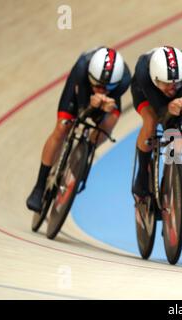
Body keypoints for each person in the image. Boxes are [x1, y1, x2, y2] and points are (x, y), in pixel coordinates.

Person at [26, 47, 131, 212]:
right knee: (62, 128)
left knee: (110, 121)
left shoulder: (124, 80)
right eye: (97, 86)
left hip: (107, 98)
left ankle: (86, 151)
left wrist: (103, 111)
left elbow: (102, 117)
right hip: (80, 93)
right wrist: (92, 105)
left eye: (106, 88)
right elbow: (82, 113)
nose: (101, 90)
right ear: (91, 77)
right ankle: (39, 187)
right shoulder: (82, 69)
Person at [131, 46, 182, 200]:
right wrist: (168, 108)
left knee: (179, 133)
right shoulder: (144, 70)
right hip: (145, 93)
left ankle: (170, 178)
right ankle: (142, 174)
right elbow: (161, 112)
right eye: (166, 84)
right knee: (151, 120)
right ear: (156, 78)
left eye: (176, 83)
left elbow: (179, 109)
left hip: (176, 85)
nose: (171, 89)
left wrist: (181, 106)